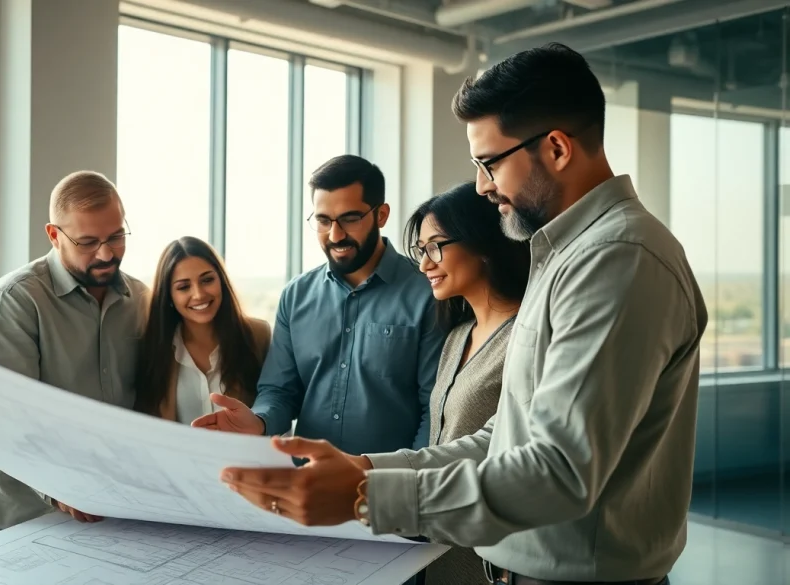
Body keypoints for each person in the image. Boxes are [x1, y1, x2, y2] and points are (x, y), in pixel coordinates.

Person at [218, 43, 707, 585]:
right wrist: (365, 471)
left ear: (558, 148)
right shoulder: (565, 255)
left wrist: (368, 496)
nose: (482, 185)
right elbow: (503, 438)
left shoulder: (618, 260)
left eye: (489, 162)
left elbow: (559, 473)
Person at [192, 154, 445, 457]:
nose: (335, 235)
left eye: (350, 218)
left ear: (381, 215)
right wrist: (259, 422)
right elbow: (280, 391)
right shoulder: (296, 296)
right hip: (305, 485)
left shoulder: (427, 293)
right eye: (324, 221)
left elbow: (435, 406)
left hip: (386, 489)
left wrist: (409, 481)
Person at [0, 170, 149, 543]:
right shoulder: (16, 299)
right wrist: (59, 486)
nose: (107, 253)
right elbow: (5, 417)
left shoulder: (141, 300)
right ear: (54, 235)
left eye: (116, 236)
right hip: (12, 511)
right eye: (88, 241)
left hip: (104, 513)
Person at [403, 182, 530, 584]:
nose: (425, 264)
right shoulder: (457, 336)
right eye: (421, 250)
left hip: (496, 555)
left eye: (437, 246)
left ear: (483, 244)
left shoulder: (525, 338)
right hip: (439, 545)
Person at [134, 236, 271, 423]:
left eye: (207, 280)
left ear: (221, 281)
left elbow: (275, 410)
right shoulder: (153, 350)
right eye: (183, 287)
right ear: (169, 296)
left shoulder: (258, 336)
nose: (198, 294)